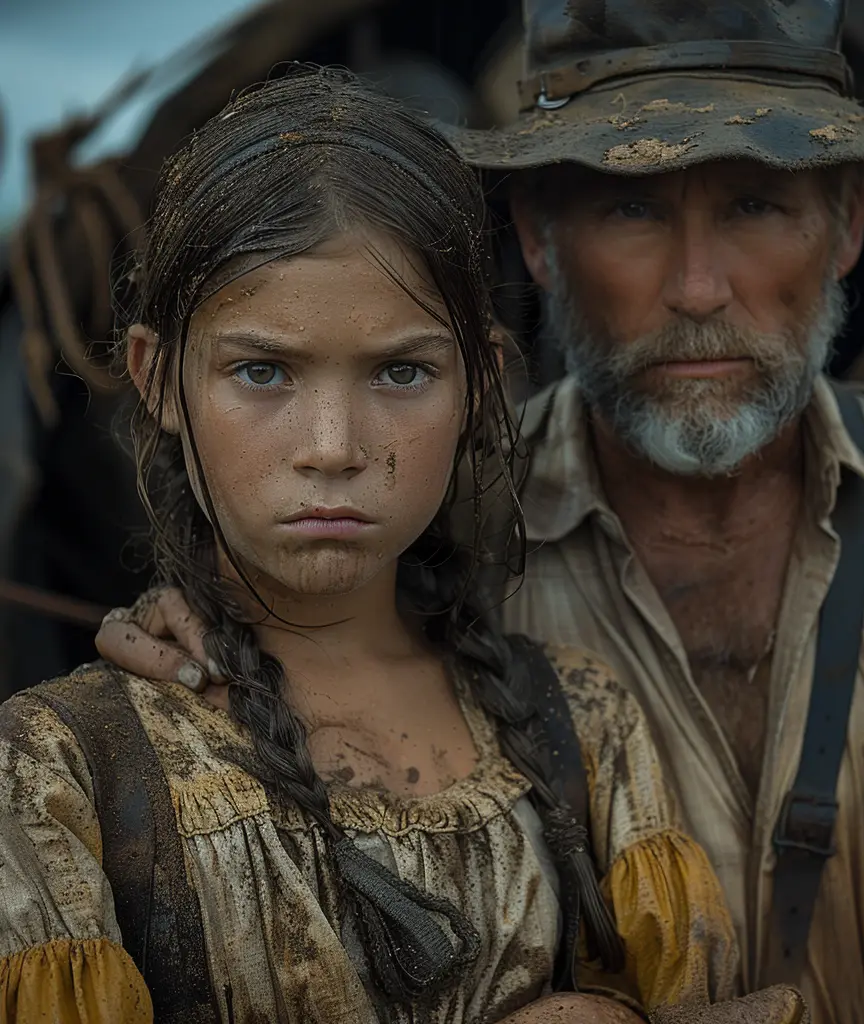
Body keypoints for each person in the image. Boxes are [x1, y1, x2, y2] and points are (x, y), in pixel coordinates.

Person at [94, 2, 864, 1023]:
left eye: (757, 205)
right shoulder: (421, 531)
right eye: (632, 208)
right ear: (538, 237)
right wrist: (205, 619)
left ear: (846, 225)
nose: (698, 288)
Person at [0, 69, 812, 1024]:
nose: (334, 448)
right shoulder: (56, 770)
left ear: (480, 384)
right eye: (262, 371)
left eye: (402, 372)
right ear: (159, 379)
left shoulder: (582, 726)